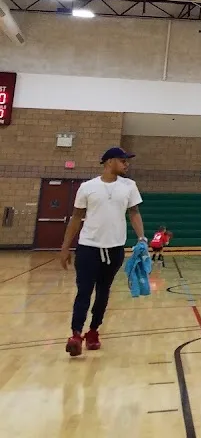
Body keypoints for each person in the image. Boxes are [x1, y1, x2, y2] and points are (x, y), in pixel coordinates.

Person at [59, 147, 147, 357]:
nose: (127, 164)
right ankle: (75, 334)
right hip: (88, 247)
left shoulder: (129, 186)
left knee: (104, 291)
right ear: (109, 162)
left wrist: (142, 239)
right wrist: (65, 246)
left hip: (115, 248)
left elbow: (134, 213)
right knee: (84, 291)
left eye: (127, 161)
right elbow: (76, 217)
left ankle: (93, 331)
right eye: (123, 160)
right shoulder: (87, 187)